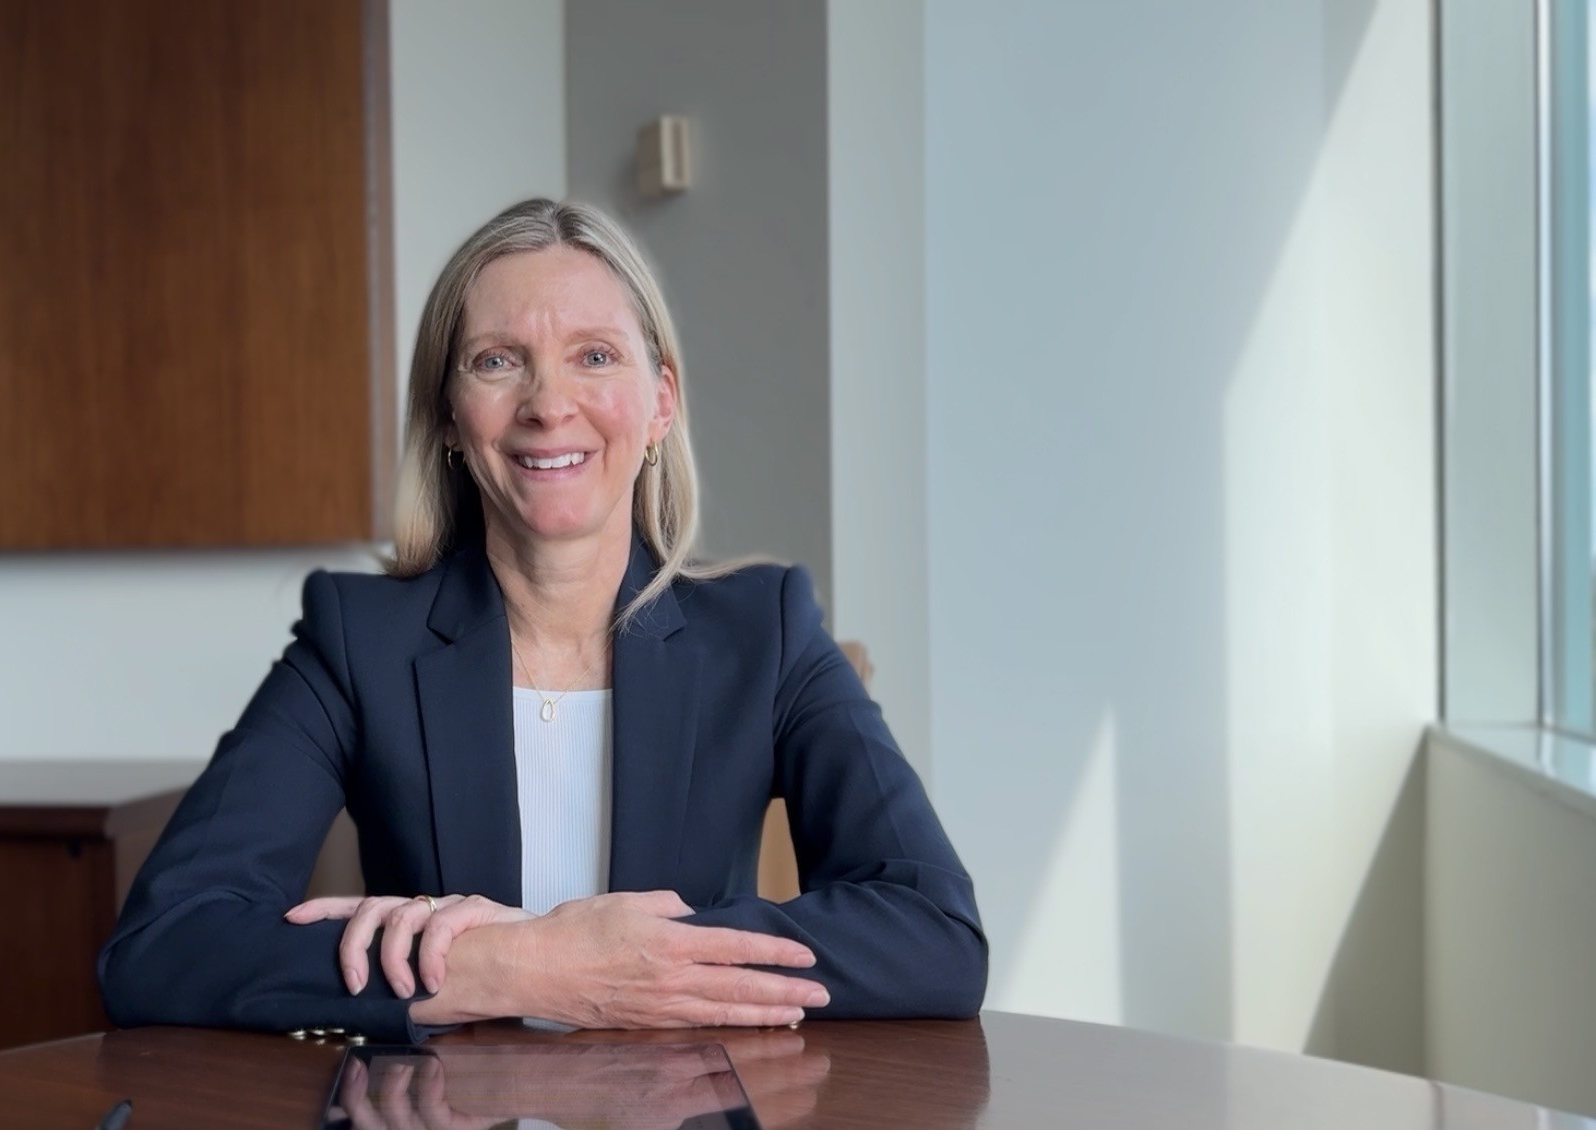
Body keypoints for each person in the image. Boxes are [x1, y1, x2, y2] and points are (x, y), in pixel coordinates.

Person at [98, 198, 986, 1043]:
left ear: (660, 402)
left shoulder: (768, 629)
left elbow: (935, 934)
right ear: (451, 415)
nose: (548, 403)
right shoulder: (357, 640)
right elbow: (163, 944)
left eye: (595, 356)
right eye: (498, 360)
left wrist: (636, 963)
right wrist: (510, 964)